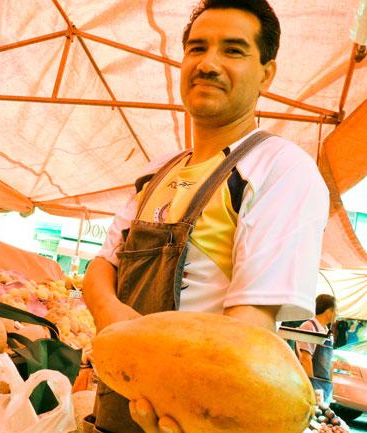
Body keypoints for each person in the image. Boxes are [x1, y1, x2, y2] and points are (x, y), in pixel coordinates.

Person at [81, 1, 330, 432]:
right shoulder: (158, 171)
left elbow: (249, 330)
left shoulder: (279, 167)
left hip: (189, 416)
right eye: (197, 48)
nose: (208, 64)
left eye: (233, 50)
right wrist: (113, 320)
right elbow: (102, 265)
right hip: (117, 402)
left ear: (266, 73)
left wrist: (193, 401)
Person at [297, 294, 337, 404]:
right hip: (312, 386)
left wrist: (330, 386)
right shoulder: (309, 326)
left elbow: (329, 363)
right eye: (335, 311)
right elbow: (305, 358)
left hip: (324, 387)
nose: (337, 314)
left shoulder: (327, 331)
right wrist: (312, 388)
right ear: (328, 311)